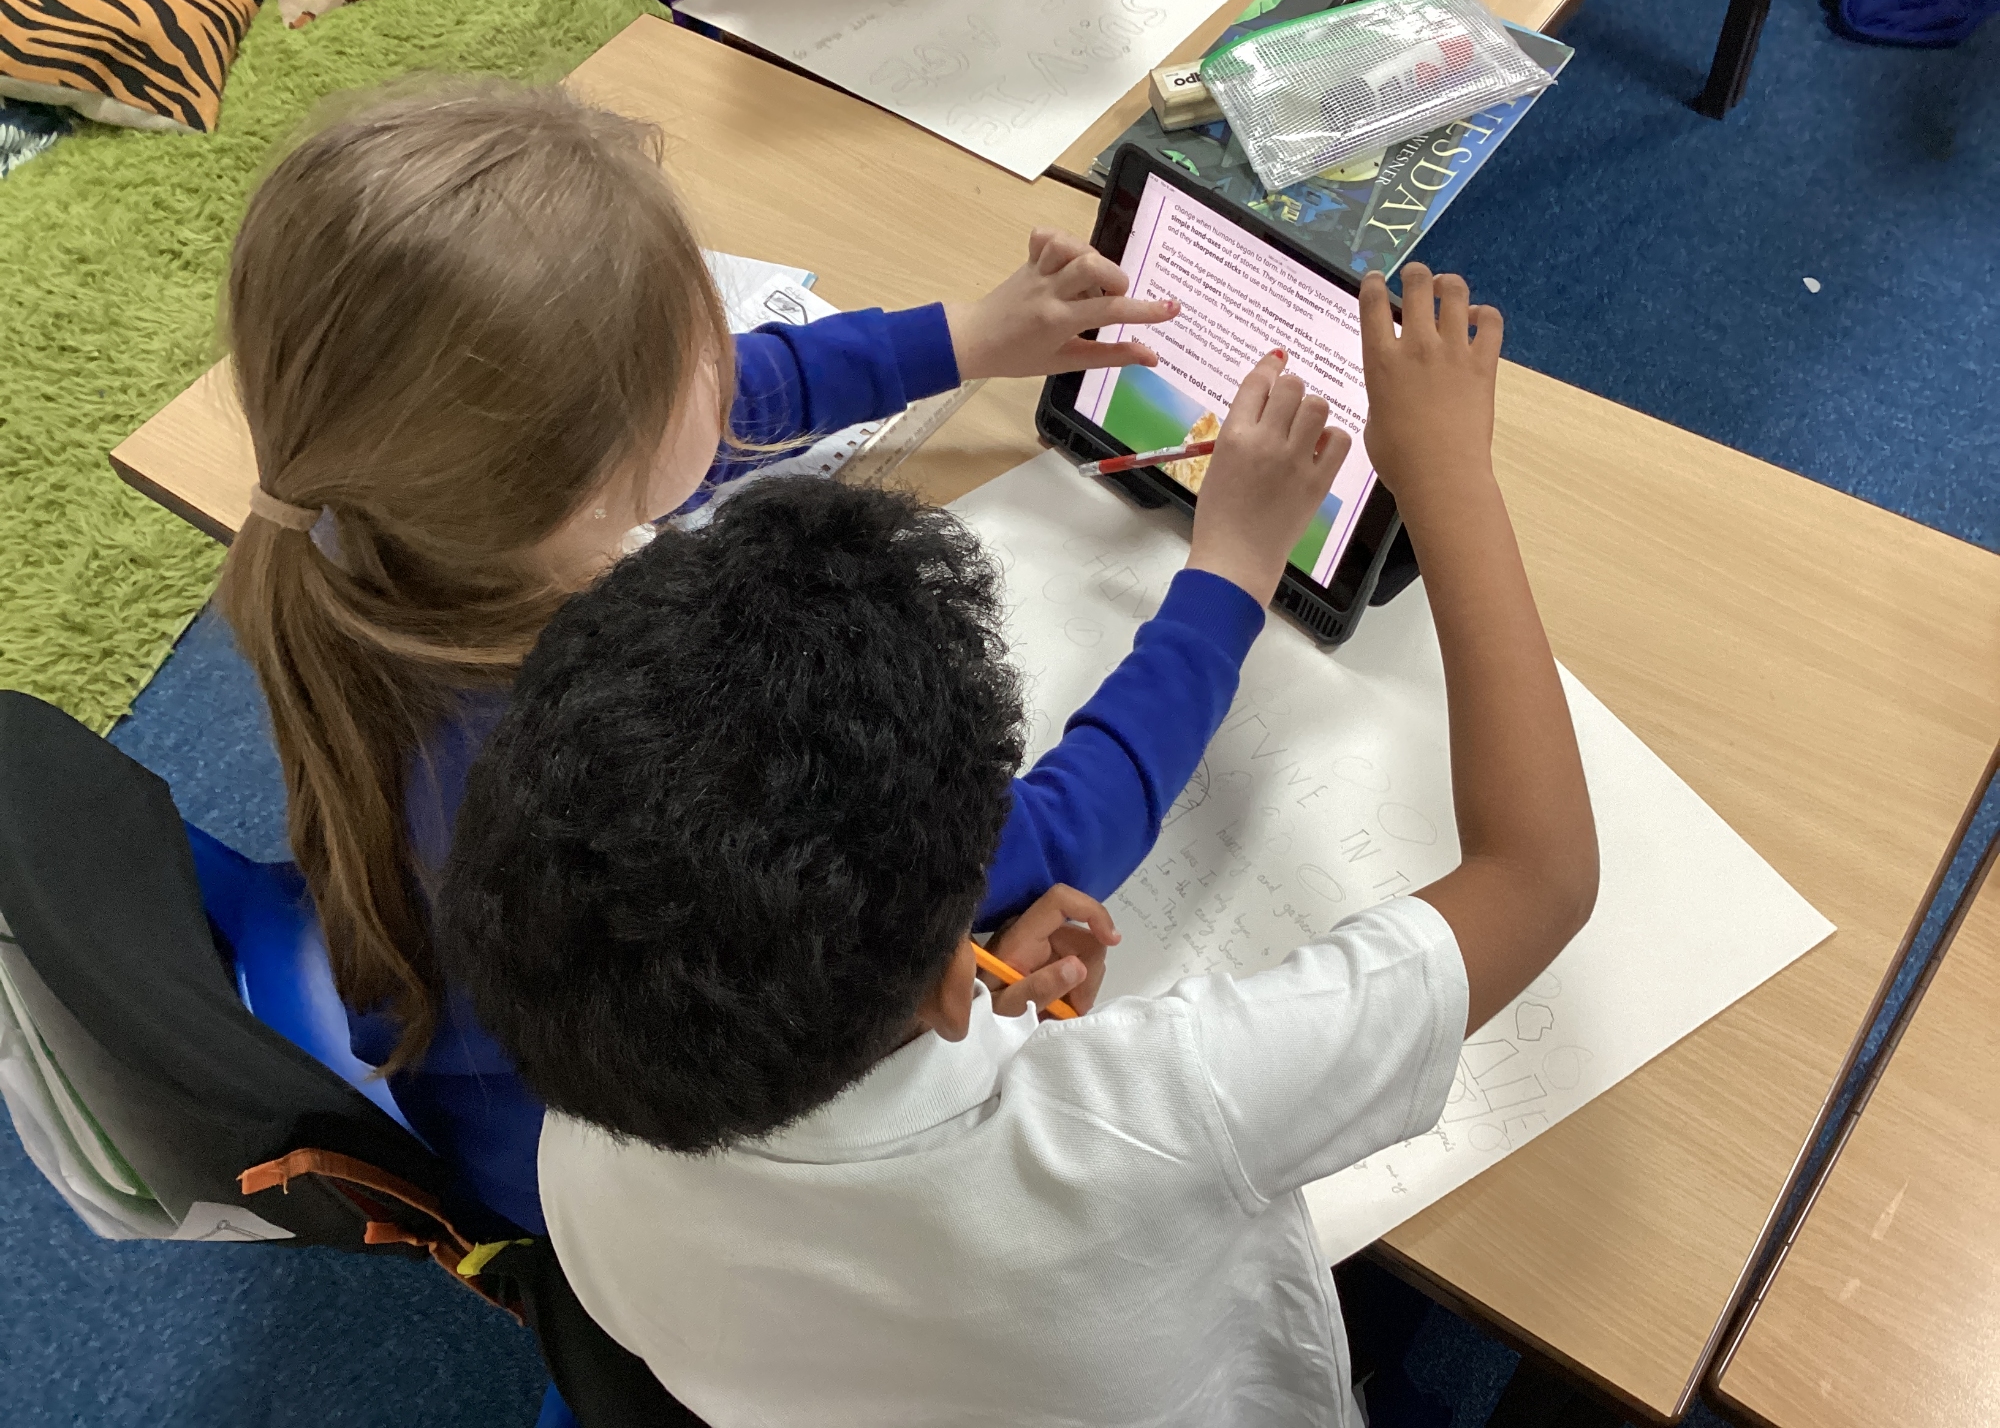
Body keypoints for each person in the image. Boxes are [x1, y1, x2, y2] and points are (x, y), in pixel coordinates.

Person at [436, 265, 1600, 1427]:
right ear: (954, 983)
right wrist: (1446, 472)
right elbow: (1538, 875)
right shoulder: (1155, 1112)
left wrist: (964, 981)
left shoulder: (572, 1155)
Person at [215, 76, 1206, 1236]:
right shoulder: (648, 758)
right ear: (585, 462)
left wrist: (964, 338)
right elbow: (1023, 842)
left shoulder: (370, 542)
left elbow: (706, 412)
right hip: (640, 1199)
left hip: (483, 1096)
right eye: (697, 352)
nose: (728, 367)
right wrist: (1226, 580)